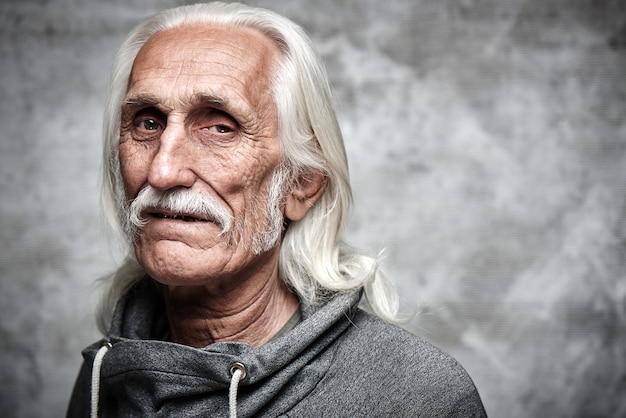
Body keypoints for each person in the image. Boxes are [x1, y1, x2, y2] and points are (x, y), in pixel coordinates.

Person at [67, 2, 487, 417]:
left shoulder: (418, 397)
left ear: (301, 184)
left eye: (219, 127)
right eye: (147, 122)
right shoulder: (106, 373)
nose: (162, 171)